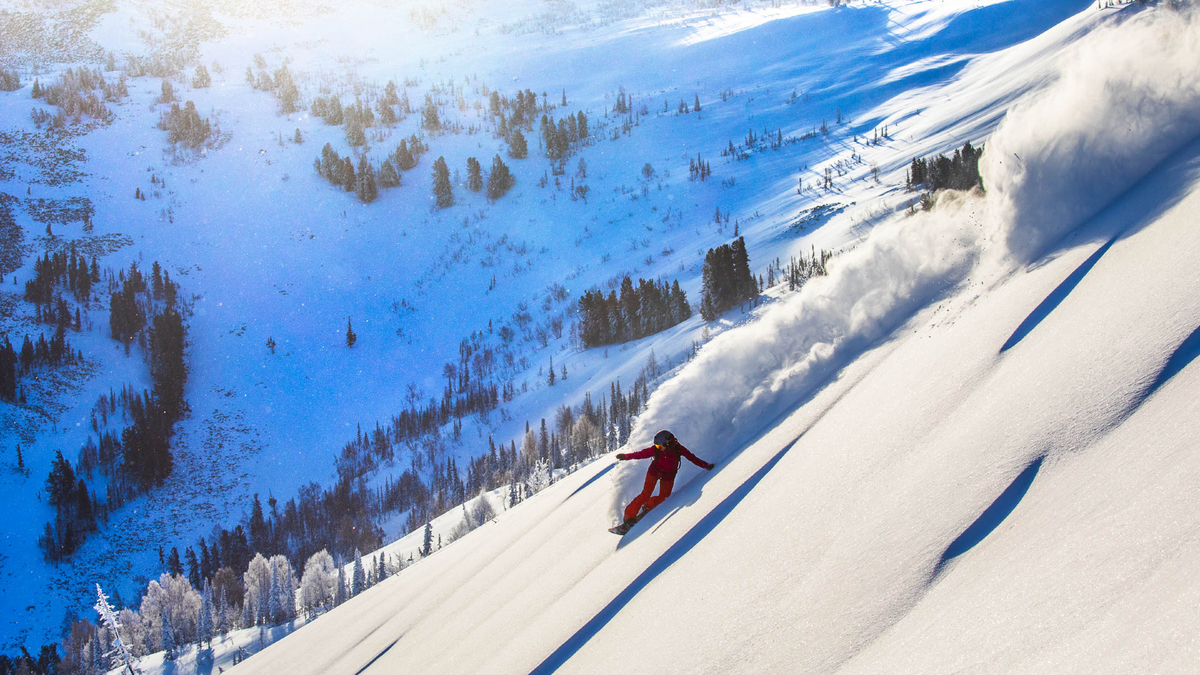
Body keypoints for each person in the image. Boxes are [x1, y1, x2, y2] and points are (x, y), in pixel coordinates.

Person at [615, 429, 714, 528]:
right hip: (654, 472)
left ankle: (648, 506)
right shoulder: (655, 450)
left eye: (660, 446)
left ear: (668, 443)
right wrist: (626, 457)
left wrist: (706, 466)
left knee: (664, 497)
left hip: (668, 476)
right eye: (657, 446)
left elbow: (692, 458)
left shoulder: (678, 449)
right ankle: (629, 517)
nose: (658, 448)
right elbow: (640, 454)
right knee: (645, 493)